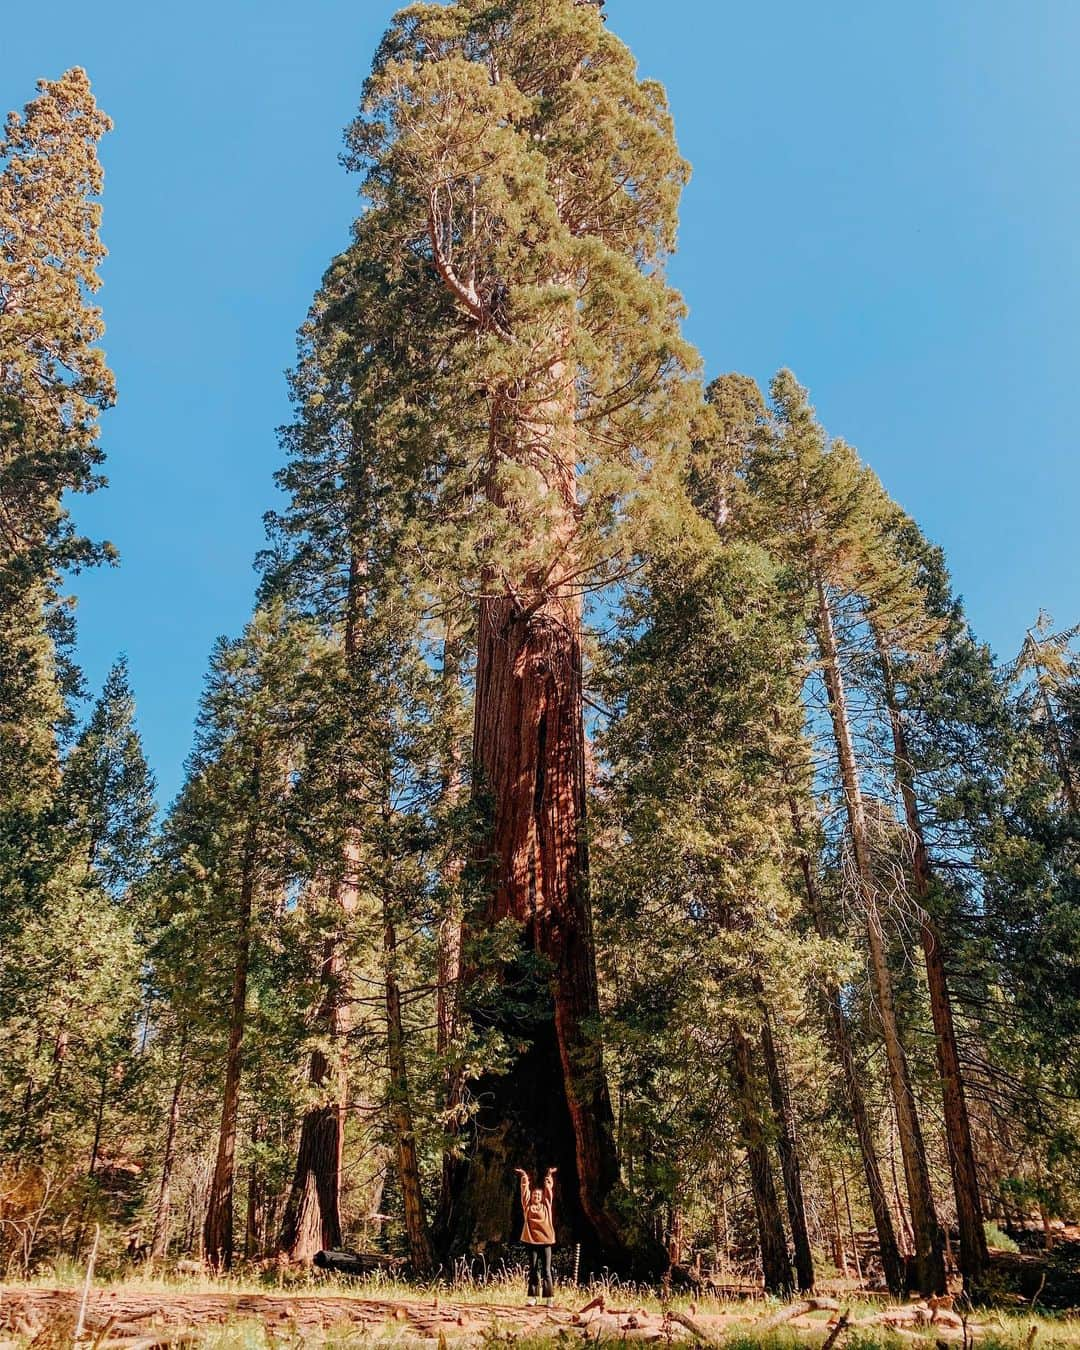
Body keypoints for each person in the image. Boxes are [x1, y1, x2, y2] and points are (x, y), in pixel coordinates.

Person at [515, 1165, 556, 1305]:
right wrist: (524, 1177)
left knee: (546, 1270)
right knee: (533, 1269)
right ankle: (533, 1297)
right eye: (534, 1195)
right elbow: (524, 1192)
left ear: (541, 1197)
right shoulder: (527, 1206)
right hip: (531, 1242)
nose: (536, 1196)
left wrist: (549, 1176)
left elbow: (549, 1191)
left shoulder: (546, 1206)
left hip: (546, 1242)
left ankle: (549, 1298)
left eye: (538, 1195)